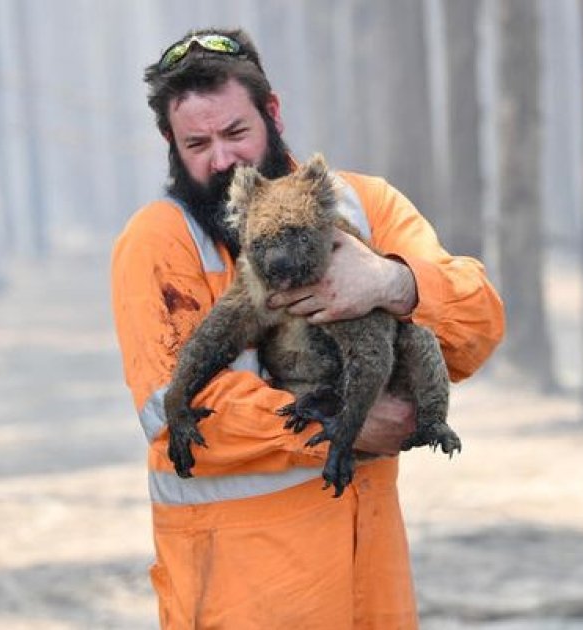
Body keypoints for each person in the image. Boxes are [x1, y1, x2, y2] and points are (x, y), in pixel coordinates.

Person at [111, 27, 505, 629]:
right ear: (170, 142)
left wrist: (392, 283)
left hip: (371, 588)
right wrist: (336, 426)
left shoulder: (361, 205)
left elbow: (478, 324)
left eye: (236, 133)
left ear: (273, 112)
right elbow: (174, 411)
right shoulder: (160, 242)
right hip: (239, 599)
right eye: (197, 142)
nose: (222, 159)